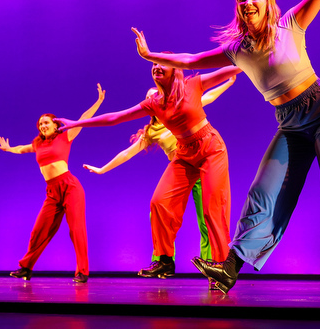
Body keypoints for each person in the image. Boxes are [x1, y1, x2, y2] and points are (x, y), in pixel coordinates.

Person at [131, 0, 320, 296]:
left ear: (267, 2)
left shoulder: (291, 24)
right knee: (263, 192)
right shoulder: (237, 51)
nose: (247, 2)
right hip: (289, 122)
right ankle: (230, 269)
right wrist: (149, 55)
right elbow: (190, 61)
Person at [57, 64, 240, 282]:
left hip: (209, 151)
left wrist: (246, 63)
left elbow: (215, 87)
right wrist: (77, 124)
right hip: (184, 156)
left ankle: (219, 268)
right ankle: (164, 260)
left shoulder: (190, 88)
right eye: (153, 64)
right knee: (159, 202)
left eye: (161, 63)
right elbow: (116, 119)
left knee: (212, 212)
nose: (156, 67)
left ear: (176, 70)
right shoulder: (153, 112)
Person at [0, 84, 104, 283]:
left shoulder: (66, 135)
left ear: (55, 125)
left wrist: (97, 102)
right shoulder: (38, 143)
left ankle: (82, 271)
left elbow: (83, 119)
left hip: (70, 187)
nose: (43, 126)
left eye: (46, 123)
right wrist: (9, 148)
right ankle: (26, 268)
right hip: (52, 191)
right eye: (40, 124)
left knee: (76, 229)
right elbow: (23, 148)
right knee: (39, 230)